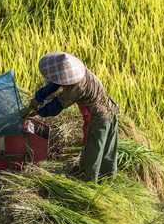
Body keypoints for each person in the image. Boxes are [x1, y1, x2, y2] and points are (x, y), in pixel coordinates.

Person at [28, 52, 119, 182]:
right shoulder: (77, 71)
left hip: (100, 119)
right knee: (107, 151)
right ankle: (109, 182)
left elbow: (55, 107)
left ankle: (90, 185)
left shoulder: (75, 87)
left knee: (93, 154)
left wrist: (38, 112)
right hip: (111, 109)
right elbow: (54, 84)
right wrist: (38, 98)